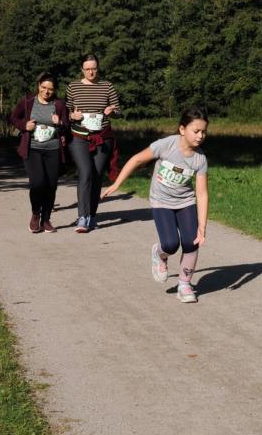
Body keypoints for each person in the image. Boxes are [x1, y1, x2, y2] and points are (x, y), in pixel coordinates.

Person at [102, 107, 209, 304]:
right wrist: (117, 183)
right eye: (196, 131)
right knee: (170, 244)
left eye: (204, 132)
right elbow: (136, 159)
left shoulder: (200, 159)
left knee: (191, 242)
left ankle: (184, 284)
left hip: (185, 201)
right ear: (182, 129)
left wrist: (202, 226)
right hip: (161, 200)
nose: (200, 136)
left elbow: (201, 193)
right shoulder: (166, 145)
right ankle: (159, 254)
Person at [9, 73, 71, 234]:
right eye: (43, 88)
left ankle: (46, 219)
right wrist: (24, 125)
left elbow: (67, 126)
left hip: (53, 149)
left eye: (50, 89)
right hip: (33, 149)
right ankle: (36, 215)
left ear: (54, 90)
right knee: (37, 184)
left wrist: (61, 123)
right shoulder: (28, 102)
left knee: (51, 186)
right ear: (38, 86)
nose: (46, 92)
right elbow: (13, 117)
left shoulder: (59, 105)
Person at [66, 53, 121, 233]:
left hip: (102, 136)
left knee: (97, 175)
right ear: (82, 69)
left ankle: (92, 216)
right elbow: (65, 111)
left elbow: (118, 109)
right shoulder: (73, 87)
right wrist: (71, 116)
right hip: (79, 136)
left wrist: (111, 111)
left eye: (94, 68)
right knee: (86, 172)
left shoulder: (107, 86)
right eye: (87, 69)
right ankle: (82, 216)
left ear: (98, 68)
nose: (91, 72)